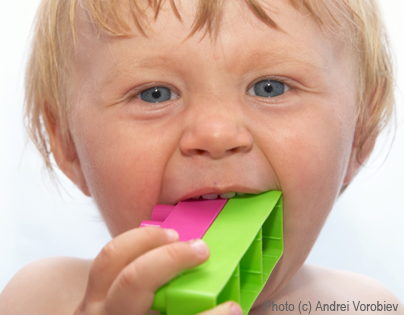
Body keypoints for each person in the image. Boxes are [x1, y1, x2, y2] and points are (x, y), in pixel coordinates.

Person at [0, 0, 402, 314]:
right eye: (154, 94)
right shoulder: (40, 301)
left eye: (270, 88)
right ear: (68, 144)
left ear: (360, 132)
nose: (216, 135)